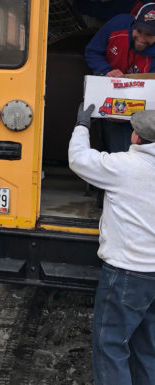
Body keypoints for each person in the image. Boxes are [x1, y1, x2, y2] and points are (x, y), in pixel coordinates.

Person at [69, 104, 155, 385]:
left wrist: (83, 125)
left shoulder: (123, 167)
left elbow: (79, 158)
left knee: (111, 347)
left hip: (127, 274)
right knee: (146, 349)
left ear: (135, 138)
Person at [85, 2, 155, 153]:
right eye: (139, 31)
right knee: (116, 152)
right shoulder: (118, 25)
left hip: (145, 111)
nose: (142, 38)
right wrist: (106, 71)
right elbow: (92, 52)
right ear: (133, 22)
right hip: (111, 105)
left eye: (149, 34)